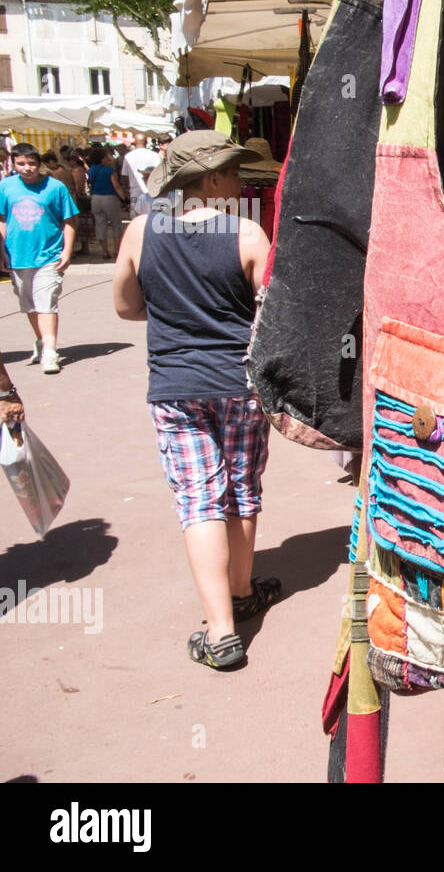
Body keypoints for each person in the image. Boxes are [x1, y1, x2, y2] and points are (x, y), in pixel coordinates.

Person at [112, 131, 279, 670]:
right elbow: (271, 314)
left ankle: (221, 633)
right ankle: (240, 592)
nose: (240, 181)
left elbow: (125, 305)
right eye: (233, 172)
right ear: (210, 180)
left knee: (199, 500)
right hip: (239, 385)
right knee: (242, 488)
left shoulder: (141, 232)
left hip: (176, 387)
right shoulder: (249, 235)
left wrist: (170, 315)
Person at [0, 143, 79, 374]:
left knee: (46, 302)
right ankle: (42, 340)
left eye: (32, 163)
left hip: (49, 255)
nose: (27, 168)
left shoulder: (55, 188)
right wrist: (2, 251)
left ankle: (50, 351)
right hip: (17, 256)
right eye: (21, 164)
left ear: (39, 163)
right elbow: (2, 220)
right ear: (13, 164)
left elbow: (69, 220)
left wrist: (67, 251)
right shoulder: (5, 187)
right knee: (29, 305)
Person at [87, 148, 127, 258]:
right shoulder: (109, 170)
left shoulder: (90, 171)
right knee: (116, 225)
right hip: (110, 198)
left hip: (95, 198)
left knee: (100, 225)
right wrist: (124, 198)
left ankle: (105, 252)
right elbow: (116, 185)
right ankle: (116, 251)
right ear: (103, 158)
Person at [120, 134, 161, 218]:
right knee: (152, 217)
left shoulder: (128, 156)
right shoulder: (155, 156)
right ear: (146, 142)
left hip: (135, 191)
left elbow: (125, 176)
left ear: (134, 142)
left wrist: (127, 191)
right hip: (153, 191)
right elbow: (160, 174)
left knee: (136, 218)